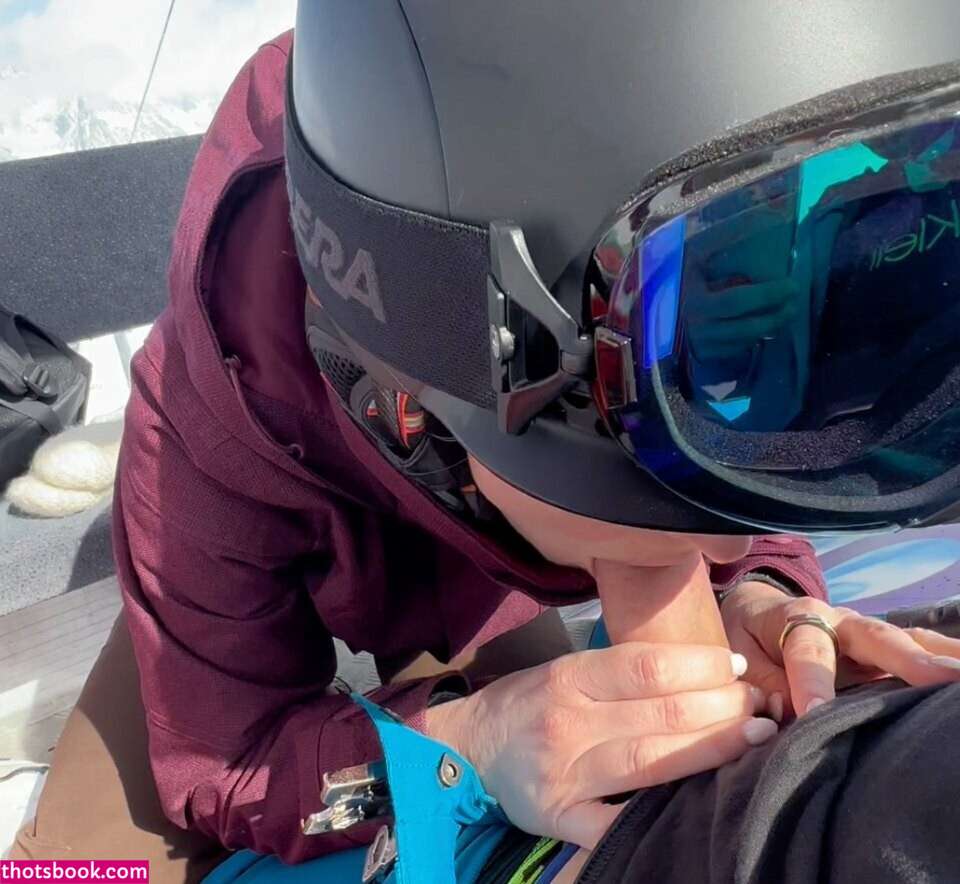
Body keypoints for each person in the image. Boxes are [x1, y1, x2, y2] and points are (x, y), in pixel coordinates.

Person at [12, 2, 960, 881]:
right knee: (81, 863)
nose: (725, 544)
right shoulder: (215, 418)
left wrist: (766, 594)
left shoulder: (670, 264)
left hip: (489, 530)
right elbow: (228, 757)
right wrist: (466, 741)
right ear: (507, 344)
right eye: (683, 381)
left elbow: (727, 481)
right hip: (293, 481)